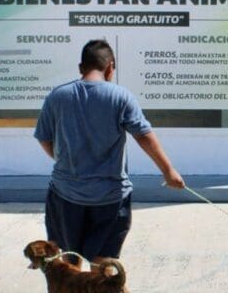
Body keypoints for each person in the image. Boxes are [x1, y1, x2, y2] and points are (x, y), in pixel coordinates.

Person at [34, 39, 185, 274]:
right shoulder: (121, 97)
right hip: (110, 197)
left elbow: (43, 137)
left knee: (68, 256)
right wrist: (168, 171)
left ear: (80, 67)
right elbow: (143, 135)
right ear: (110, 67)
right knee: (103, 258)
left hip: (65, 194)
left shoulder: (57, 96)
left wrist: (63, 161)